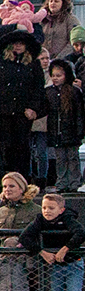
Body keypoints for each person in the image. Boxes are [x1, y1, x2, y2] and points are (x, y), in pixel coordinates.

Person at [20, 191, 85, 291]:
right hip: (55, 267)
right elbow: (24, 237)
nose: (47, 211)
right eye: (44, 207)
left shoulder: (68, 219)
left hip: (73, 265)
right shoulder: (40, 220)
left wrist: (66, 248)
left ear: (61, 210)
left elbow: (80, 233)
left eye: (51, 208)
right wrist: (42, 252)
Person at [0, 27, 47, 181]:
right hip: (3, 111)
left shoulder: (33, 64)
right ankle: (7, 178)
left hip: (23, 111)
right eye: (15, 43)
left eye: (21, 43)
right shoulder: (1, 61)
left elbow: (38, 88)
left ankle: (23, 178)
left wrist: (33, 108)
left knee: (23, 147)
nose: (18, 46)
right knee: (6, 146)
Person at [48, 60, 85, 192]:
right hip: (56, 133)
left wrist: (80, 131)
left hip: (72, 132)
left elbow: (79, 113)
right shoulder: (49, 93)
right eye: (53, 75)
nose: (55, 78)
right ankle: (62, 182)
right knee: (60, 159)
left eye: (59, 75)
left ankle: (74, 182)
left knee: (73, 158)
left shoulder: (74, 92)